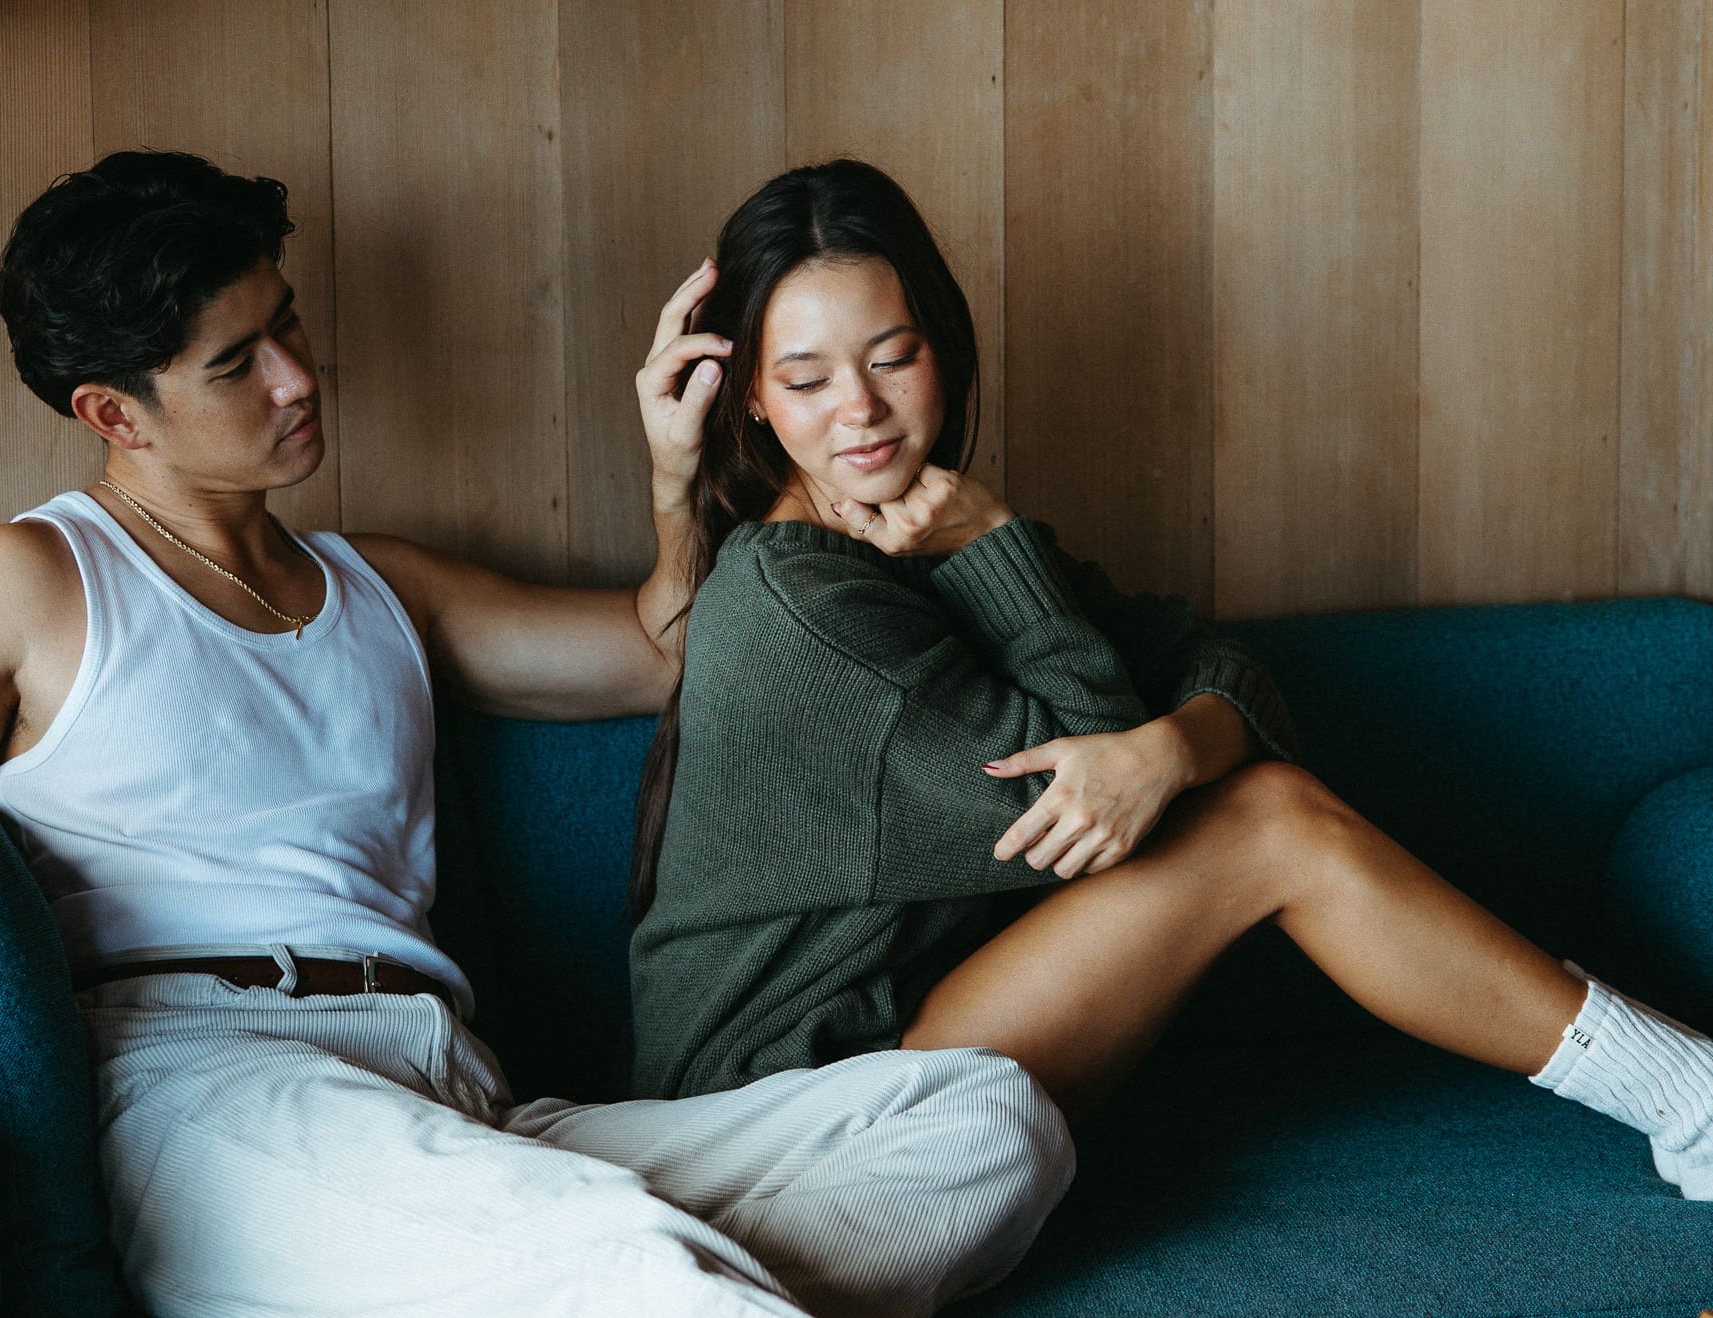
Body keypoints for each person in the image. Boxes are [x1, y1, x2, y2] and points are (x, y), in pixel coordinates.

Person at [0, 151, 1075, 1318]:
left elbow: (662, 648)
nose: (298, 377)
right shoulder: (21, 585)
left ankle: (631, 1304)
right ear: (114, 413)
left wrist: (672, 476)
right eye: (235, 364)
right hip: (213, 1095)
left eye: (287, 323)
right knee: (617, 1265)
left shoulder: (380, 586)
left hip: (457, 1091)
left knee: (988, 1120)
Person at [627, 158, 1713, 1205]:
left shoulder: (920, 531)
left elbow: (1217, 666)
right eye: (806, 378)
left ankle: (1690, 1097)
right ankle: (1692, 1100)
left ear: (943, 354)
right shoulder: (798, 607)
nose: (858, 409)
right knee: (1270, 823)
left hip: (899, 1040)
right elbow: (1086, 812)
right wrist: (1002, 549)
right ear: (755, 403)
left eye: (891, 356)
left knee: (1262, 807)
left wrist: (1172, 746)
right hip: (778, 1102)